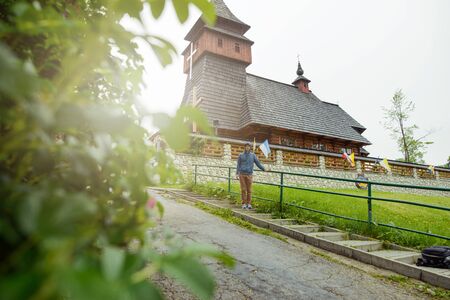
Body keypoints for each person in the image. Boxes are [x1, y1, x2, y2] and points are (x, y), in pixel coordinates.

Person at [236, 142, 268, 209]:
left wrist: (264, 169)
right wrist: (237, 173)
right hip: (241, 174)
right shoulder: (241, 155)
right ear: (244, 147)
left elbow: (258, 163)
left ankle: (249, 203)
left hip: (249, 175)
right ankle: (244, 204)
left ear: (250, 147)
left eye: (249, 146)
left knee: (249, 190)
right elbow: (238, 165)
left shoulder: (253, 155)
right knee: (243, 189)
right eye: (246, 146)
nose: (247, 147)